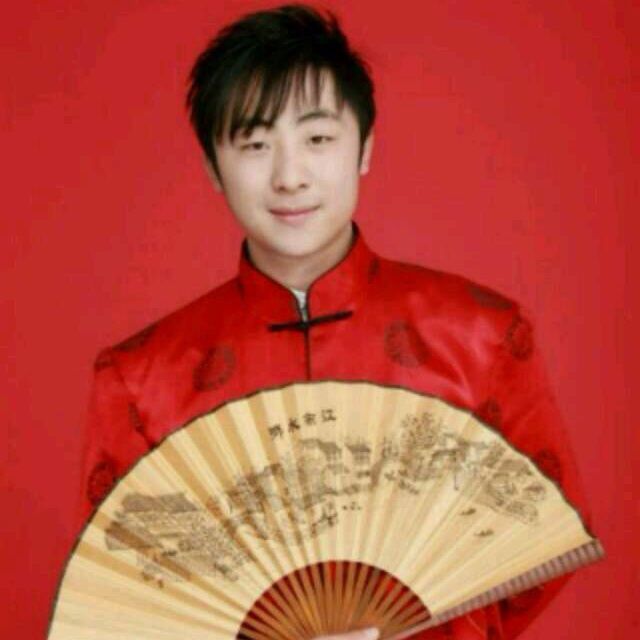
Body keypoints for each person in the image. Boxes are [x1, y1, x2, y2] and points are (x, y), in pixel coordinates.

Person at [73, 4, 592, 639]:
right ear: (212, 166)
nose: (289, 177)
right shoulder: (139, 379)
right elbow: (126, 605)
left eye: (317, 139)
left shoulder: (482, 336)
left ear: (364, 148)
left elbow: (539, 549)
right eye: (255, 145)